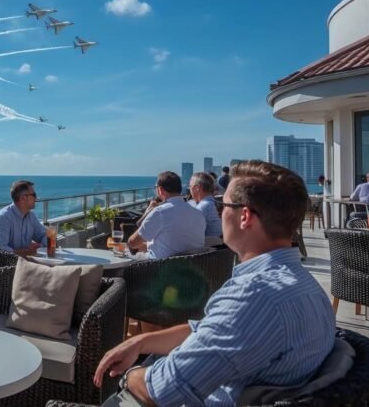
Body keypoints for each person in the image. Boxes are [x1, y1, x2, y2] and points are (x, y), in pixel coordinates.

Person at [93, 161, 336, 406]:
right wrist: (141, 341)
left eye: (223, 205)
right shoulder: (306, 286)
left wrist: (128, 377)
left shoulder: (255, 296)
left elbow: (162, 389)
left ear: (245, 217)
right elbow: (208, 330)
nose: (219, 213)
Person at [128, 172, 205, 259]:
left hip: (159, 268)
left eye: (155, 188)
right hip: (191, 267)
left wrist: (148, 212)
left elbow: (132, 243)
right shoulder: (198, 214)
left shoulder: (160, 212)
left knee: (126, 255)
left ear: (160, 190)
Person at [0, 180, 47, 256]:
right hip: (5, 265)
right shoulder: (3, 218)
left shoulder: (30, 216)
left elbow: (43, 235)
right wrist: (26, 252)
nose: (36, 198)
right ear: (23, 198)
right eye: (34, 195)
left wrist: (40, 246)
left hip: (26, 262)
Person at [188, 172, 222, 239]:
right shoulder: (215, 203)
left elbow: (192, 234)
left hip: (210, 247)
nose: (190, 190)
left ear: (198, 187)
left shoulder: (202, 207)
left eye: (190, 186)